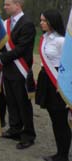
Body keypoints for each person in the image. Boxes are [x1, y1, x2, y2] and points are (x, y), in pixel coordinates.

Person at [0, 0, 36, 150]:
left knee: (23, 103)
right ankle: (15, 129)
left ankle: (28, 135)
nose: (5, 7)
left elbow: (21, 49)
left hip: (20, 69)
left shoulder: (27, 23)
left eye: (8, 4)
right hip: (8, 69)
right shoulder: (6, 23)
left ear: (18, 5)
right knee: (11, 102)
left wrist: (0, 58)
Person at [35, 9, 70, 161]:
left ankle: (63, 155)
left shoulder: (61, 41)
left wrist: (63, 84)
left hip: (57, 80)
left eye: (44, 20)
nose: (41, 23)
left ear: (52, 22)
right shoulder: (45, 37)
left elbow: (69, 64)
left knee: (61, 120)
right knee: (54, 118)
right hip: (46, 79)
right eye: (41, 20)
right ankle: (59, 152)